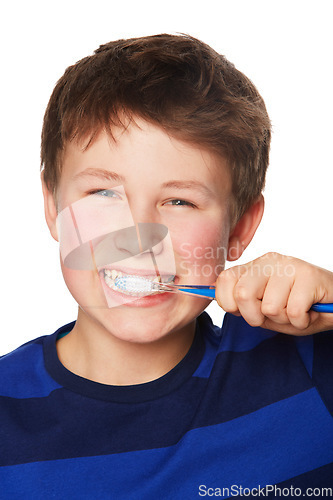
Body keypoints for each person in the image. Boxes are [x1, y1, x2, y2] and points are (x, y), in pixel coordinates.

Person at [1, 34, 333, 498]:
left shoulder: (308, 365)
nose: (140, 237)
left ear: (239, 228)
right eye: (103, 193)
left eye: (180, 200)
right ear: (51, 205)